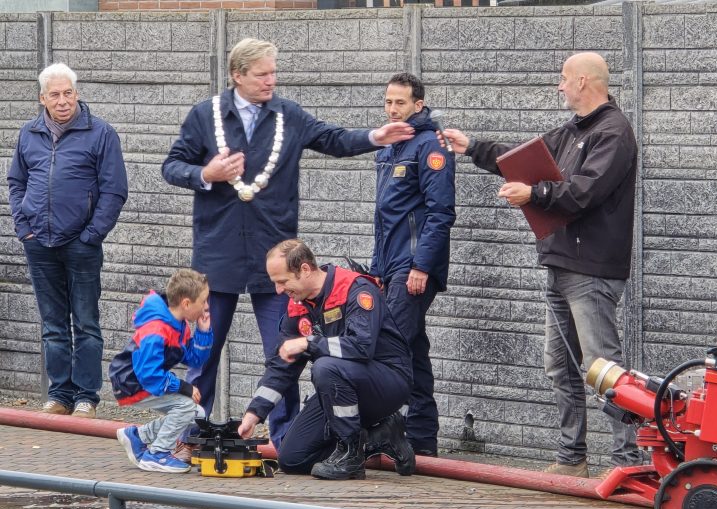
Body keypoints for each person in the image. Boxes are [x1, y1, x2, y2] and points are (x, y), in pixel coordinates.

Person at [162, 38, 413, 453]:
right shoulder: (205, 116)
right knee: (202, 353)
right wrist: (206, 172)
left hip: (274, 257)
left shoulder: (288, 115)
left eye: (273, 73)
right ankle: (188, 435)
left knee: (284, 350)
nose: (271, 81)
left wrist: (375, 136)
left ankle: (283, 438)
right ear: (237, 75)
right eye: (262, 74)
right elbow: (171, 165)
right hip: (218, 252)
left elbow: (332, 139)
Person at [441, 53, 642, 477]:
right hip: (560, 262)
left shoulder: (613, 132)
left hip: (592, 270)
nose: (559, 86)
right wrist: (472, 148)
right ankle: (573, 458)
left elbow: (585, 192)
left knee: (602, 367)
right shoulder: (573, 131)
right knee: (561, 366)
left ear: (583, 81)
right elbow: (522, 158)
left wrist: (534, 196)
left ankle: (628, 460)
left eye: (564, 79)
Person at [7, 63, 128, 419]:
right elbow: (16, 182)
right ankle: (58, 395)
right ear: (42, 98)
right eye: (55, 95)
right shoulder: (29, 134)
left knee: (86, 323)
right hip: (38, 243)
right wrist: (23, 228)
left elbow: (115, 190)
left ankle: (86, 398)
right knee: (53, 324)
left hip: (81, 244)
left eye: (68, 93)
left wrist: (92, 235)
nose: (63, 101)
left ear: (76, 93)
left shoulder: (100, 133)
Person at [238, 239, 415, 481]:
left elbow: (361, 347)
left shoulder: (355, 290)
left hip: (388, 381)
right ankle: (378, 437)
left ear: (305, 270)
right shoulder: (299, 306)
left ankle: (351, 454)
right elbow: (282, 366)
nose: (279, 291)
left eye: (282, 281)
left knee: (325, 367)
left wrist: (309, 343)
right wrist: (254, 414)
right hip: (340, 385)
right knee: (292, 459)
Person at [368, 73, 456, 457]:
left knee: (389, 347)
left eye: (400, 103)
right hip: (391, 266)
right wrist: (376, 271)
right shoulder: (390, 146)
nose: (392, 109)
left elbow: (440, 213)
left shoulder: (431, 146)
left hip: (415, 267)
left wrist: (421, 266)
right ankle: (422, 438)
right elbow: (384, 218)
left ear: (418, 105)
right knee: (412, 347)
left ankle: (387, 432)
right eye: (388, 102)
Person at [110, 269, 213, 474]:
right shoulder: (157, 329)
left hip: (147, 379)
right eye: (203, 301)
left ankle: (138, 436)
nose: (206, 307)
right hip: (132, 383)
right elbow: (149, 375)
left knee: (197, 414)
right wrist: (183, 387)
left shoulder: (178, 324)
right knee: (185, 406)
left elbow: (194, 359)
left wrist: (203, 332)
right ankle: (157, 454)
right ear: (186, 303)